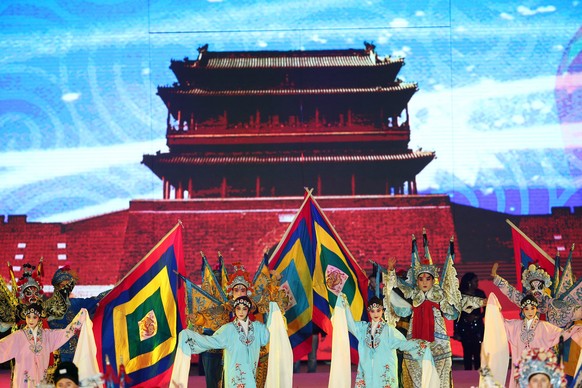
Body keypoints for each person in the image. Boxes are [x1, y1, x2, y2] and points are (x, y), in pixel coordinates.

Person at [383, 234, 462, 388]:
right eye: (421, 279)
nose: (424, 282)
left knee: (440, 381)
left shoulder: (440, 295)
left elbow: (451, 313)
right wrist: (391, 271)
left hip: (438, 343)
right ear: (417, 281)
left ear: (433, 280)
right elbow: (396, 287)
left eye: (428, 278)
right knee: (417, 379)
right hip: (416, 341)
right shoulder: (414, 295)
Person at [172, 296, 271, 388]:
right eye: (238, 308)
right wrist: (189, 337)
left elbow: (268, 336)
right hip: (235, 374)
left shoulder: (258, 328)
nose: (241, 312)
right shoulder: (228, 329)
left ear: (248, 310)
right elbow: (212, 341)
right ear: (235, 310)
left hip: (250, 372)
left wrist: (274, 313)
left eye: (244, 309)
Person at [489, 294, 582, 388]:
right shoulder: (515, 326)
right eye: (526, 309)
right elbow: (500, 322)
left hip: (538, 367)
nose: (530, 311)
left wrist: (576, 328)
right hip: (521, 367)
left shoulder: (545, 327)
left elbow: (562, 334)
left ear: (536, 309)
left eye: (532, 308)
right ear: (522, 310)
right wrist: (493, 306)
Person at [343, 294, 427, 387]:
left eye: (378, 311)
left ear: (382, 311)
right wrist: (344, 304)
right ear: (369, 312)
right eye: (372, 311)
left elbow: (402, 343)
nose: (375, 314)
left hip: (384, 370)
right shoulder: (363, 329)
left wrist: (421, 346)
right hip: (367, 370)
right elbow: (350, 324)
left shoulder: (388, 330)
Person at [0, 303, 87, 387]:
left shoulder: (47, 336)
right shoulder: (18, 336)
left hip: (40, 379)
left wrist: (80, 318)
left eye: (34, 317)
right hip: (23, 380)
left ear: (39, 318)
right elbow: (3, 347)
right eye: (28, 317)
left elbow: (65, 333)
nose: (31, 320)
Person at [48, 266, 108, 363]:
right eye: (62, 286)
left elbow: (98, 299)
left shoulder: (75, 304)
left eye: (68, 286)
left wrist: (118, 288)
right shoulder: (45, 307)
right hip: (52, 355)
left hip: (75, 355)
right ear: (56, 287)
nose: (65, 289)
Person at [454, 272, 486, 370]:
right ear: (469, 282)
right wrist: (456, 331)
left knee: (478, 353)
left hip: (477, 328)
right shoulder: (459, 295)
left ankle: (479, 376)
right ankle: (467, 377)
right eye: (475, 281)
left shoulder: (480, 294)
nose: (477, 283)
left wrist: (476, 317)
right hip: (464, 327)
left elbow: (487, 310)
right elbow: (456, 314)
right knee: (467, 353)